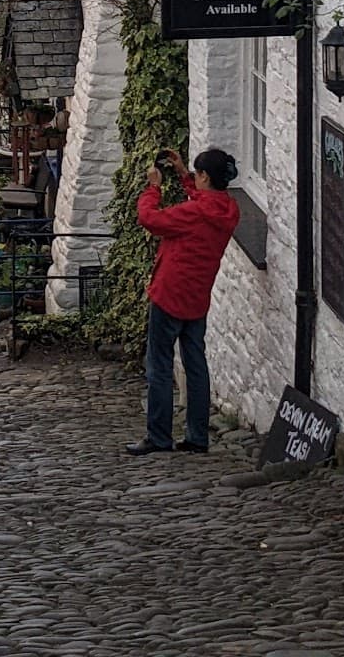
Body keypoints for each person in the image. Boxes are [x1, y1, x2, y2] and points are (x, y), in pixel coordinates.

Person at [125, 146, 240, 456]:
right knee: (196, 365)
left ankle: (159, 436)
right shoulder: (229, 210)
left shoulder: (193, 213)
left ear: (205, 176)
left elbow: (150, 219)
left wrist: (153, 188)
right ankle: (196, 436)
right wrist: (183, 174)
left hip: (170, 293)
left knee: (159, 366)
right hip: (198, 295)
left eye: (198, 175)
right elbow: (205, 200)